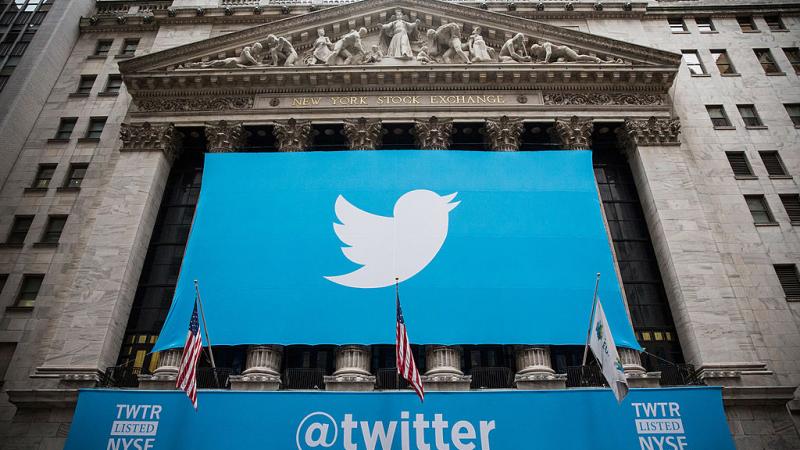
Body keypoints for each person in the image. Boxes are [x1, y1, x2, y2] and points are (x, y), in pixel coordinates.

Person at [183, 42, 264, 69]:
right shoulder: (247, 49)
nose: (257, 51)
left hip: (236, 63)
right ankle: (197, 65)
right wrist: (256, 63)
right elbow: (249, 57)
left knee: (217, 63)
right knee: (217, 62)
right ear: (254, 46)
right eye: (257, 49)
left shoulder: (254, 54)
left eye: (259, 50)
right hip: (235, 60)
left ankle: (204, 65)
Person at [530, 41, 604, 63]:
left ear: (537, 49)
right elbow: (538, 61)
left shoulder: (546, 45)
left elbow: (549, 53)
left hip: (564, 50)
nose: (536, 55)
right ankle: (598, 62)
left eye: (535, 53)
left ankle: (595, 59)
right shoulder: (541, 54)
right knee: (559, 63)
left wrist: (546, 61)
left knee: (577, 57)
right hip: (561, 57)